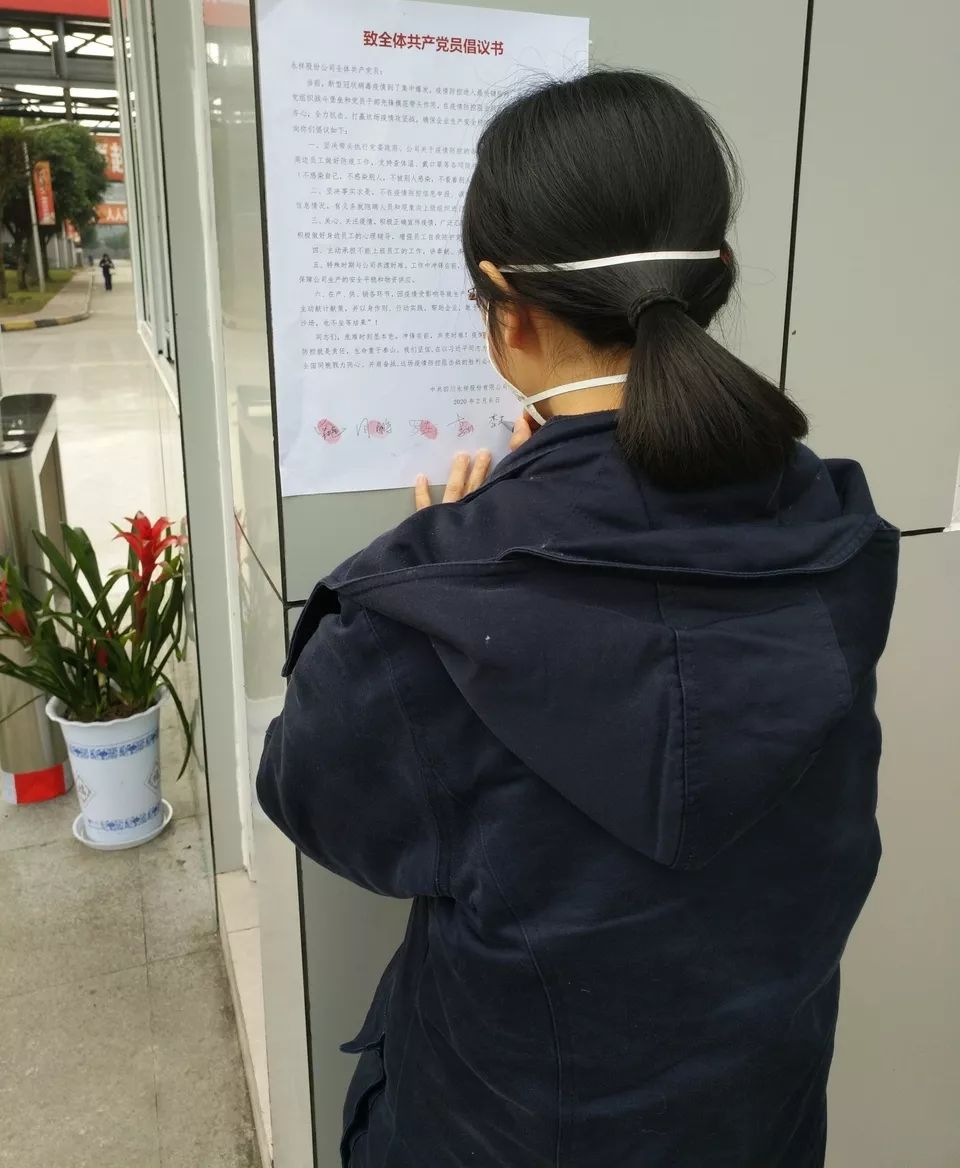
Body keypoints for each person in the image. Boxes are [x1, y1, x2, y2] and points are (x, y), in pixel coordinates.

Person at [258, 71, 899, 1167]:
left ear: (504, 304)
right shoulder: (837, 535)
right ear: (717, 273)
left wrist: (437, 552)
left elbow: (312, 798)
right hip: (759, 1126)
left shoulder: (426, 607)